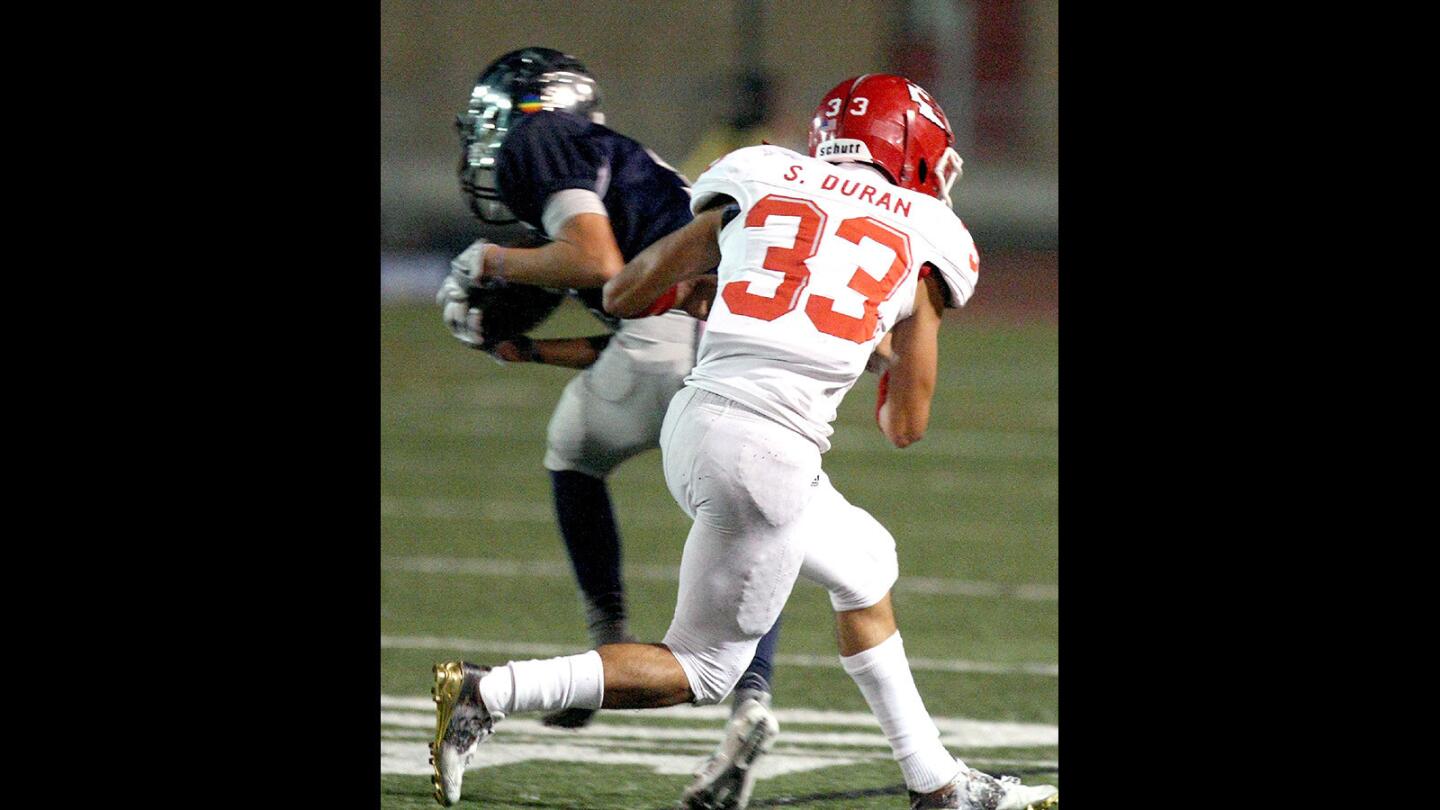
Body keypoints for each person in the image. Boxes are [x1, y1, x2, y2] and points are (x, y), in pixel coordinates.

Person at [431, 72, 1059, 810]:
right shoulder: (931, 232)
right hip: (769, 454)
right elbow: (903, 427)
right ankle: (487, 691)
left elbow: (627, 293)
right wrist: (875, 334)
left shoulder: (762, 171)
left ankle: (939, 783)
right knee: (700, 670)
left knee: (864, 565)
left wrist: (740, 288)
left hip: (696, 420)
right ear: (913, 153)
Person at [434, 47, 782, 809]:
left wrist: (485, 262)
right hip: (728, 344)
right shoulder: (615, 164)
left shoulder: (540, 142)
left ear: (526, 112)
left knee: (575, 456)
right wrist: (528, 349)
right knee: (775, 524)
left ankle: (604, 642)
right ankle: (752, 701)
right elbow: (629, 332)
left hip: (692, 344)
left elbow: (594, 263)